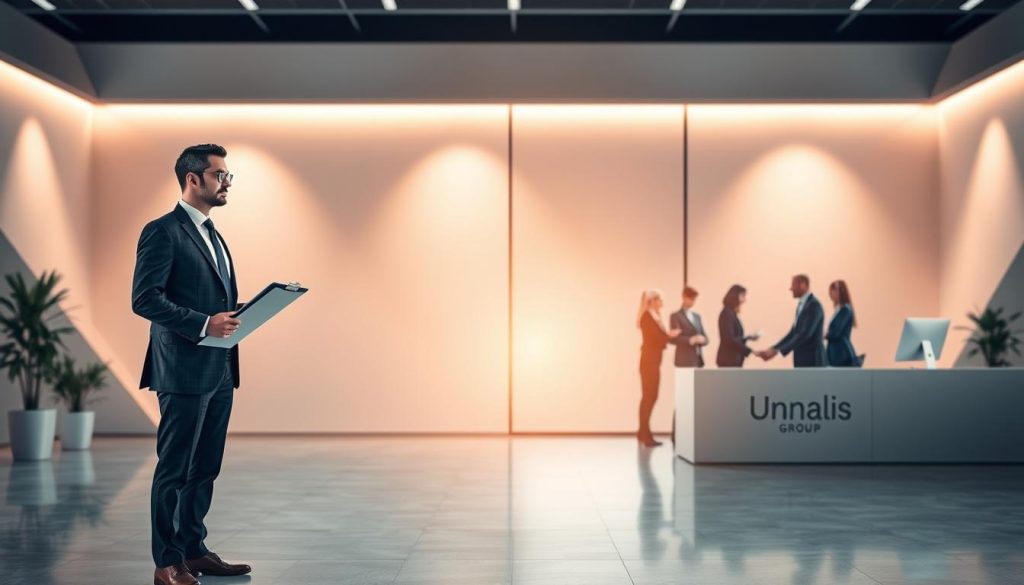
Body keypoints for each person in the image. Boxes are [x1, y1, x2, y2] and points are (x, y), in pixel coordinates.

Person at [132, 144, 252, 585]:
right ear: (192, 179)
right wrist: (203, 323)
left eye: (228, 176)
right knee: (175, 467)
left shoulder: (214, 234)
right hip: (182, 368)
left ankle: (193, 549)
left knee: (205, 466)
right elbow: (145, 299)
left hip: (219, 367)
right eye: (220, 175)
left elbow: (209, 299)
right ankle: (167, 561)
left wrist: (246, 312)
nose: (226, 184)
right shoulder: (162, 231)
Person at [637, 289, 681, 447]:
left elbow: (659, 338)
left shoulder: (654, 317)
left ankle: (643, 432)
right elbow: (655, 338)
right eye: (659, 300)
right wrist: (669, 335)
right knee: (649, 396)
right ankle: (644, 433)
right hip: (649, 362)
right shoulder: (647, 317)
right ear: (652, 301)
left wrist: (668, 336)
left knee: (650, 396)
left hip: (653, 361)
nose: (662, 303)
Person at [757, 274, 825, 367]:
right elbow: (793, 333)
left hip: (813, 360)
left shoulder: (814, 305)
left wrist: (777, 351)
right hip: (802, 359)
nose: (790, 288)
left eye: (793, 285)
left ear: (803, 285)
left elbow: (805, 334)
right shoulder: (802, 305)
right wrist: (774, 348)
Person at [716, 284, 759, 367]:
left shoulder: (732, 313)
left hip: (734, 359)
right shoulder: (727, 314)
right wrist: (750, 351)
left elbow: (735, 337)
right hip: (728, 360)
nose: (744, 300)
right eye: (743, 296)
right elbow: (729, 339)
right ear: (734, 296)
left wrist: (748, 337)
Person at [670, 286, 708, 368]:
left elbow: (705, 337)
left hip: (698, 360)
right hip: (684, 360)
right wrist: (691, 340)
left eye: (694, 299)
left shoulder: (697, 316)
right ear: (684, 297)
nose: (693, 301)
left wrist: (703, 339)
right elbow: (674, 339)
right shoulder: (676, 316)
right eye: (691, 298)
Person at [826, 279, 860, 367]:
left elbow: (835, 333)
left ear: (839, 292)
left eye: (832, 292)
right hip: (835, 353)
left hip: (841, 353)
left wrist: (824, 334)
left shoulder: (845, 309)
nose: (830, 295)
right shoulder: (838, 310)